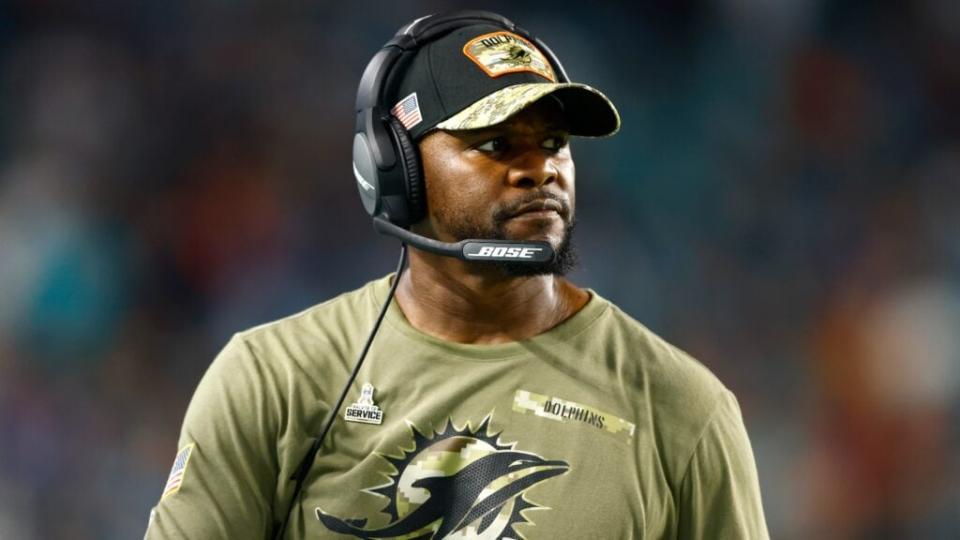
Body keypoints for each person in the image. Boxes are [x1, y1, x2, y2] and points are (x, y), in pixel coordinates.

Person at [145, 11, 769, 540]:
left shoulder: (684, 410)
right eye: (496, 145)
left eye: (553, 142)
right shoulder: (273, 380)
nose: (540, 170)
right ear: (395, 170)